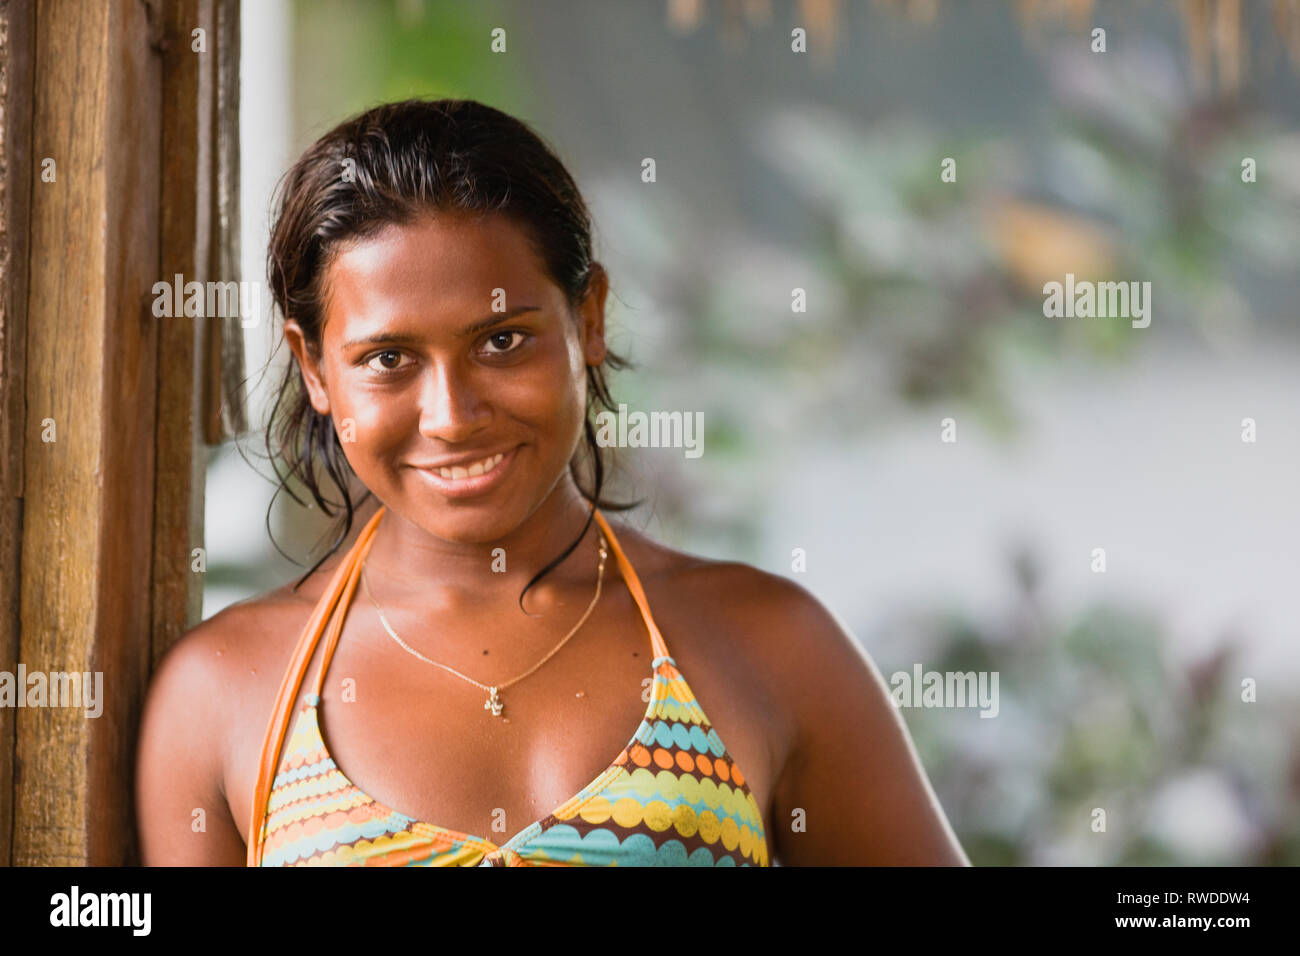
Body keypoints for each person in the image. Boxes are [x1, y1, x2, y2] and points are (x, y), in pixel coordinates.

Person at [134, 98, 969, 867]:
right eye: (389, 360)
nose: (453, 415)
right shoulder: (224, 692)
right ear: (315, 367)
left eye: (501, 341)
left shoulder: (769, 645)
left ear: (589, 318)